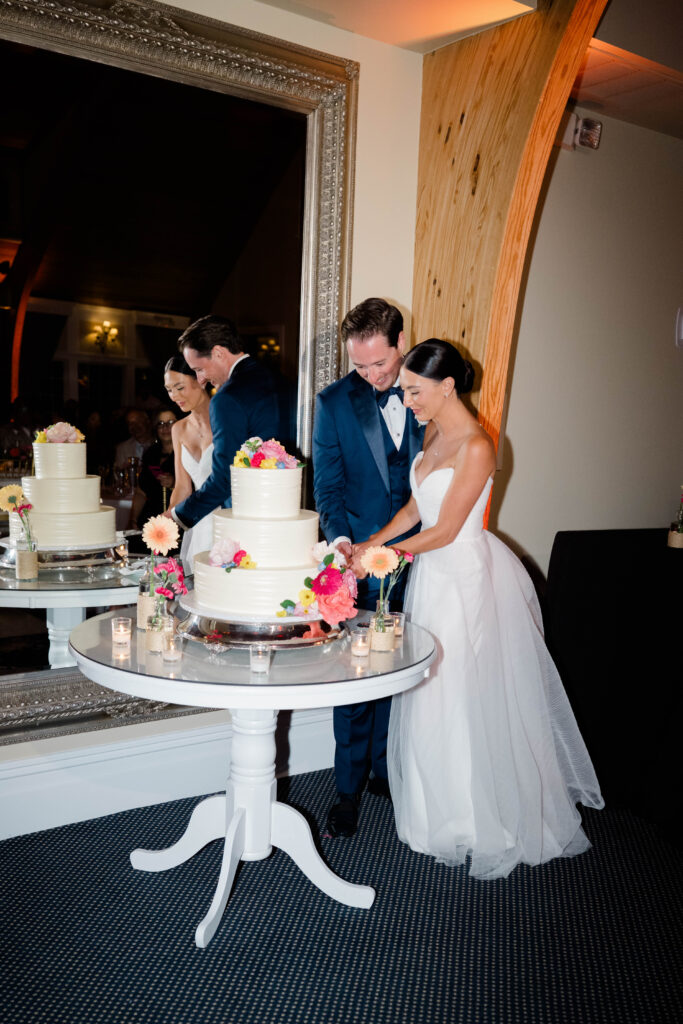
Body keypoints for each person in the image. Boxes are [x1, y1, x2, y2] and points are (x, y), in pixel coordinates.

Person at [354, 339, 603, 879]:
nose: (408, 400)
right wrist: (368, 542)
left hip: (467, 578)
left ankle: (474, 817)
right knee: (429, 690)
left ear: (447, 387)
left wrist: (382, 556)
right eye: (405, 391)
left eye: (414, 391)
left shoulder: (478, 446)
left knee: (464, 692)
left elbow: (445, 530)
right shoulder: (433, 430)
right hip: (432, 580)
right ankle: (431, 811)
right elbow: (419, 508)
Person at [312, 297, 424, 838]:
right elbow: (328, 485)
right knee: (356, 677)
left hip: (428, 560)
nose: (372, 376)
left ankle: (392, 770)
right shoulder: (333, 402)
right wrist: (339, 543)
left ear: (401, 343)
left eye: (380, 363)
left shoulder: (434, 391)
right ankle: (348, 790)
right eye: (360, 366)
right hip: (363, 560)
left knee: (413, 672)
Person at [166, 315, 279, 532]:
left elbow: (225, 476)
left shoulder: (226, 398)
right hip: (281, 513)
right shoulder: (281, 380)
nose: (201, 380)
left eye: (199, 369)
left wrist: (178, 516)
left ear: (218, 352)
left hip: (238, 521)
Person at [163, 354, 213, 574]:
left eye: (179, 387)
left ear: (200, 379)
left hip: (225, 519)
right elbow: (183, 486)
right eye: (169, 390)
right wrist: (166, 521)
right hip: (197, 523)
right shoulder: (178, 429)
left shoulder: (227, 421)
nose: (174, 396)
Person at [131, 408, 177, 527]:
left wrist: (174, 483)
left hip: (176, 521)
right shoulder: (150, 454)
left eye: (171, 422)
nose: (165, 427)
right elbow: (141, 492)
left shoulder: (187, 453)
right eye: (161, 424)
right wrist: (133, 520)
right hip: (149, 521)